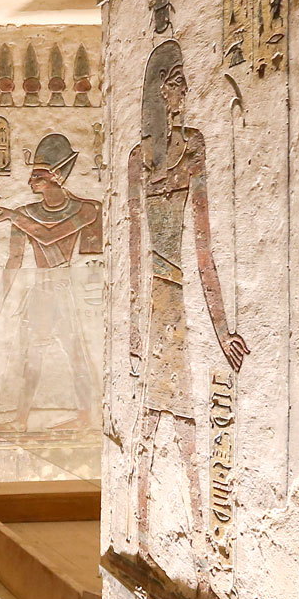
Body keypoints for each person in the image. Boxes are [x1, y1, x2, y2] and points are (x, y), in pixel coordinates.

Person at [125, 40, 249, 539]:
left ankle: (184, 536)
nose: (184, 92)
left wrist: (223, 332)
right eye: (176, 83)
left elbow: (204, 250)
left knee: (176, 421)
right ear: (159, 91)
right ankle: (143, 532)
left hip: (175, 299)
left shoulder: (194, 147)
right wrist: (136, 332)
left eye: (184, 82)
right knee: (163, 423)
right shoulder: (140, 159)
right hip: (156, 305)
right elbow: (135, 253)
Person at [0, 132, 101, 428]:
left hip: (66, 291)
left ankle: (85, 417)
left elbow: (49, 237)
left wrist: (11, 216)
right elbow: (14, 261)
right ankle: (21, 419)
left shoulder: (85, 209)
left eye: (38, 176)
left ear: (57, 176)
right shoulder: (26, 214)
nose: (30, 182)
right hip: (41, 292)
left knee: (75, 355)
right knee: (30, 356)